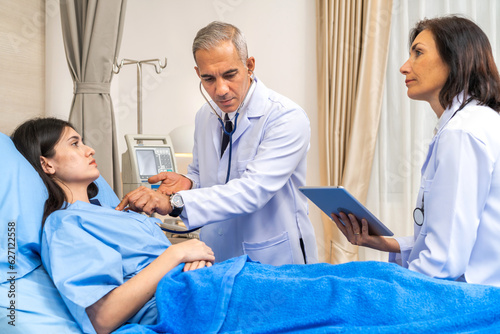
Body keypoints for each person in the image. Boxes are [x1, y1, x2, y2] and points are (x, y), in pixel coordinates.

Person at [116, 21, 318, 266]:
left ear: (249, 66)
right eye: (208, 78)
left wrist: (174, 202)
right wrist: (189, 183)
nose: (220, 89)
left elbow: (252, 190)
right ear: (197, 73)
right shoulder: (205, 116)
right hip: (217, 254)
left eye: (230, 74)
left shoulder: (285, 117)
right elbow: (204, 176)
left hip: (272, 256)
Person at [331, 15, 500, 286]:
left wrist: (396, 290)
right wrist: (385, 242)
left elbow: (443, 260)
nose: (403, 67)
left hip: (470, 299)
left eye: (418, 53)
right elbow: (455, 237)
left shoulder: (462, 133)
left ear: (455, 59)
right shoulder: (477, 121)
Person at [11, 118, 216, 334]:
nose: (89, 150)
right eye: (74, 144)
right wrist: (177, 254)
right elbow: (103, 318)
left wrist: (195, 258)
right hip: (183, 306)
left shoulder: (115, 213)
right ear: (47, 164)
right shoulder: (65, 224)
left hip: (203, 287)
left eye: (83, 142)